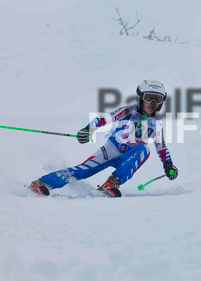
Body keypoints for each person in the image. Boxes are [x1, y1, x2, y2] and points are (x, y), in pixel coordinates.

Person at [28, 80, 178, 198]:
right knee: (82, 171)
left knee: (144, 149)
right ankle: (42, 183)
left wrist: (168, 165)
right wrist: (88, 129)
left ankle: (112, 183)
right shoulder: (128, 110)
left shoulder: (156, 124)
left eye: (157, 99)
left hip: (129, 156)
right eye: (148, 98)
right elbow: (105, 118)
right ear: (140, 98)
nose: (152, 103)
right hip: (111, 150)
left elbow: (161, 147)